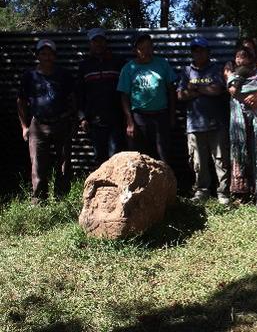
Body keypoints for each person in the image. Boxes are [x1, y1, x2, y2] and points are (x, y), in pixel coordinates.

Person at [17, 39, 77, 204]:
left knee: (64, 162)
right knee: (37, 164)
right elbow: (21, 102)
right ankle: (39, 201)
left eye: (50, 54)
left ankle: (62, 198)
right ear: (37, 55)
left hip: (62, 123)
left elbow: (73, 99)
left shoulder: (64, 75)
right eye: (43, 53)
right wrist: (24, 127)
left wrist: (74, 121)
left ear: (55, 56)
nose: (47, 57)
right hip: (38, 125)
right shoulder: (29, 76)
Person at [177, 37, 230, 204]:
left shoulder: (216, 69)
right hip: (194, 124)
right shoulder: (186, 71)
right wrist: (203, 90)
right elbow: (180, 95)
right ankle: (202, 191)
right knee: (198, 161)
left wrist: (194, 89)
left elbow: (217, 89)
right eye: (195, 50)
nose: (198, 53)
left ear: (208, 52)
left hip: (216, 123)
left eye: (201, 50)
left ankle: (223, 193)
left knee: (221, 159)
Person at [225, 46, 257, 205]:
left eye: (245, 56)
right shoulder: (230, 66)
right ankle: (241, 192)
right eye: (238, 56)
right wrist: (244, 97)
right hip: (239, 112)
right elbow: (232, 87)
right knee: (240, 148)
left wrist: (256, 95)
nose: (240, 59)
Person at [117, 33, 177, 163]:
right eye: (142, 48)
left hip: (161, 117)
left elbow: (172, 91)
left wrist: (172, 116)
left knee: (163, 155)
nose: (146, 51)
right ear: (135, 50)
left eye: (149, 47)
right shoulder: (128, 69)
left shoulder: (162, 64)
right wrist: (130, 122)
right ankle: (143, 184)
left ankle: (164, 183)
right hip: (139, 118)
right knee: (141, 157)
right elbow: (124, 96)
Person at [77, 28, 127, 165]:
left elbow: (126, 91)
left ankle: (116, 186)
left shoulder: (119, 62)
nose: (98, 44)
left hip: (117, 119)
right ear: (90, 44)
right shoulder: (84, 66)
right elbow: (80, 93)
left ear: (106, 43)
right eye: (95, 41)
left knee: (116, 157)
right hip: (94, 121)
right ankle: (100, 186)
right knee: (99, 157)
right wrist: (82, 117)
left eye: (101, 41)